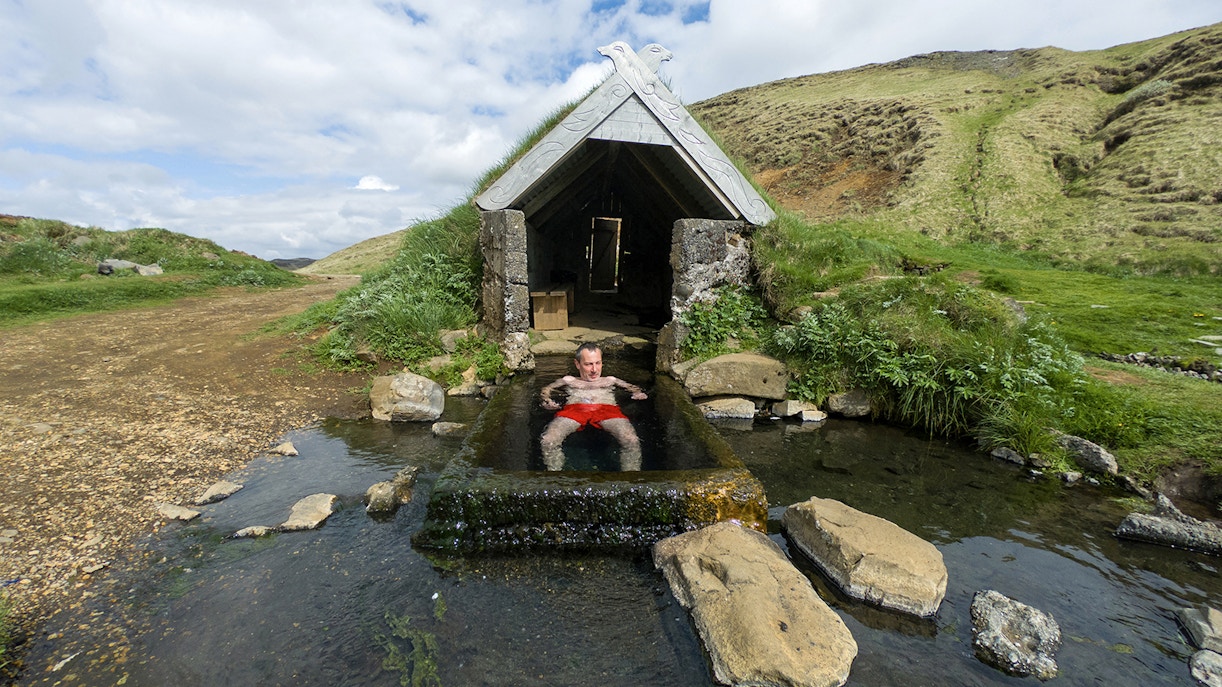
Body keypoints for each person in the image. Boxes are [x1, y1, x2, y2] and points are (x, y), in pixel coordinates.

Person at [539, 342, 648, 471]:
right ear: (577, 364)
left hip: (607, 410)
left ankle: (631, 476)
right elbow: (547, 389)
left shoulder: (610, 380)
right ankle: (555, 475)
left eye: (598, 363)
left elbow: (632, 387)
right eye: (588, 364)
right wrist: (547, 400)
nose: (594, 370)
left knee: (631, 440)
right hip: (575, 410)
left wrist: (637, 393)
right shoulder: (569, 380)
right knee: (548, 440)